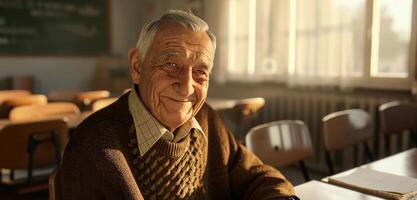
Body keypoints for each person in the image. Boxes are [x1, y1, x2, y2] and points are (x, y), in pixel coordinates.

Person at [61, 10, 297, 200]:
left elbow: (256, 176)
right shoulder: (93, 147)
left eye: (200, 72)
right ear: (137, 67)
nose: (186, 87)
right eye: (171, 65)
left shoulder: (207, 120)